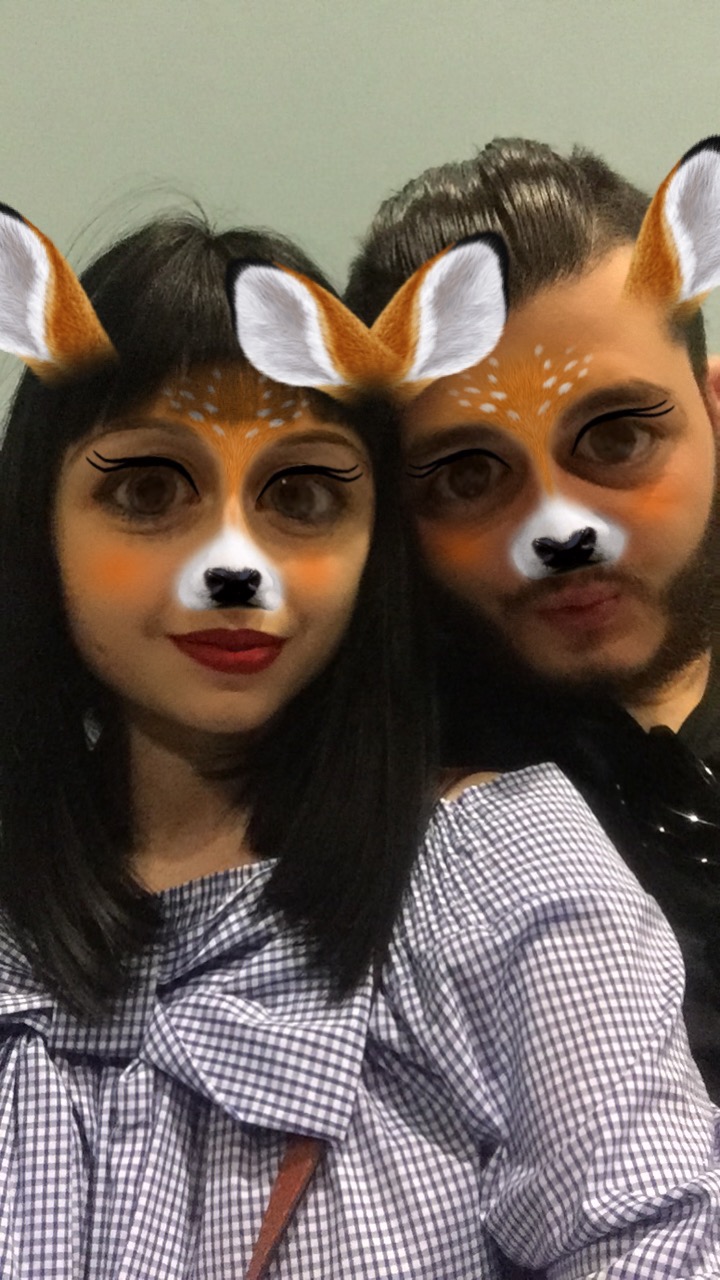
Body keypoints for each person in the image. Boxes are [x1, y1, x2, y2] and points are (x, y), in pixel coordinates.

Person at [0, 204, 718, 1279]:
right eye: (148, 489)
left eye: (301, 493)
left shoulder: (507, 878)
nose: (234, 566)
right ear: (38, 521)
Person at [346, 134, 720, 1103]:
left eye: (619, 438)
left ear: (716, 411)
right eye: (470, 475)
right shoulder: (375, 824)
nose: (559, 530)